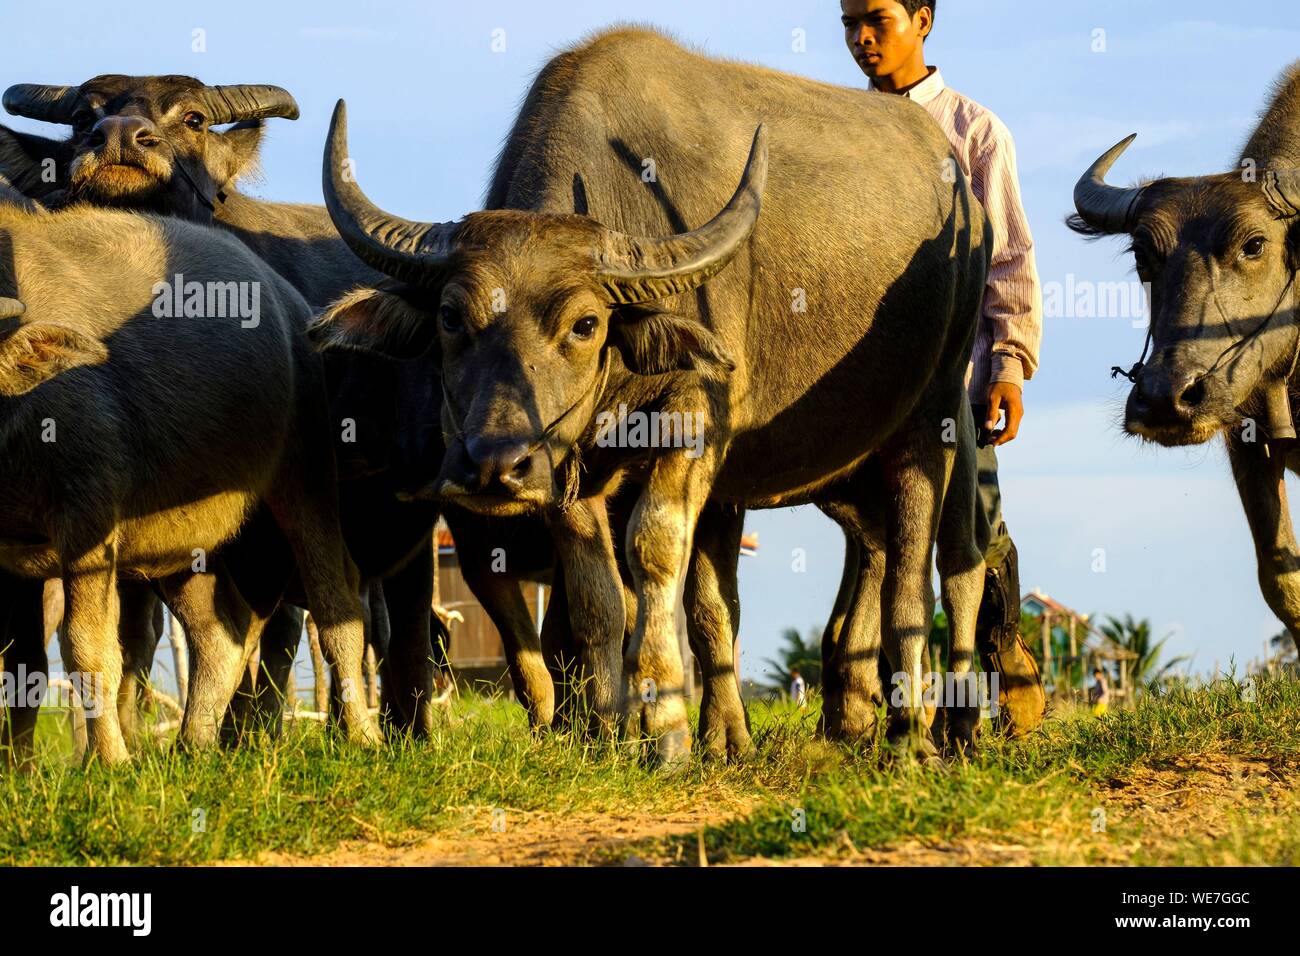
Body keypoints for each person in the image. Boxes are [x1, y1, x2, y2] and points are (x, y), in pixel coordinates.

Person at [841, 0, 1047, 735]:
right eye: (847, 24)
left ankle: (994, 667)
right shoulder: (834, 129)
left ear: (923, 19)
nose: (861, 38)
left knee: (971, 527)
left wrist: (1011, 365)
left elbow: (1008, 257)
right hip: (855, 383)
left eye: (878, 19)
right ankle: (863, 707)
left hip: (955, 378)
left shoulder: (974, 131)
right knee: (869, 535)